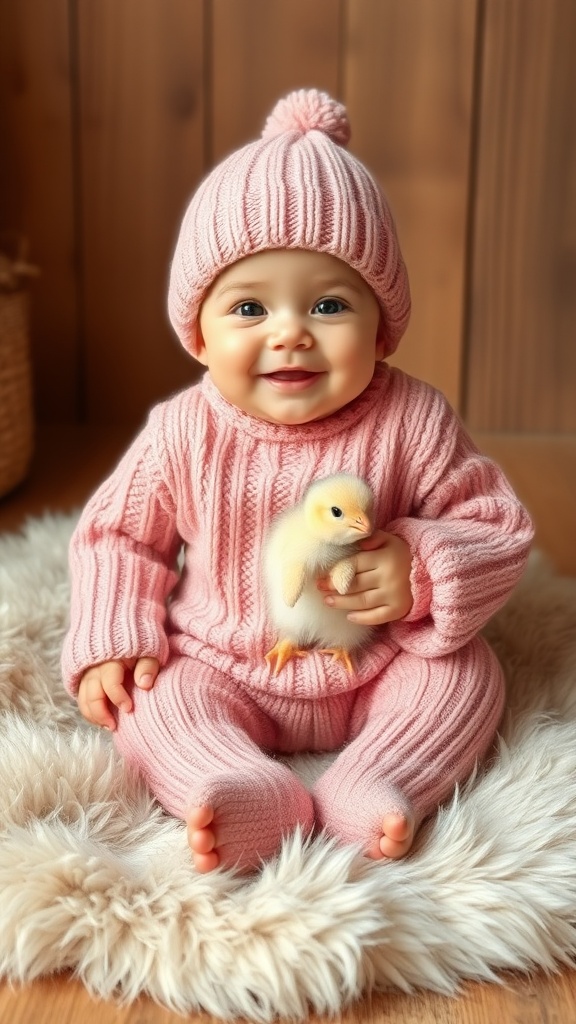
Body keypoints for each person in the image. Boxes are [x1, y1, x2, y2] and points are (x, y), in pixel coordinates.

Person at [62, 89, 533, 874]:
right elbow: (117, 536)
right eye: (249, 306)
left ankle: (380, 775)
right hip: (227, 662)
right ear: (199, 335)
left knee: (466, 675)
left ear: (380, 327)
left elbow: (495, 525)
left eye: (327, 303)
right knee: (154, 698)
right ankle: (237, 782)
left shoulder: (413, 418)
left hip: (377, 663)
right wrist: (115, 637)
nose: (290, 332)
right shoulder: (184, 430)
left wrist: (421, 565)